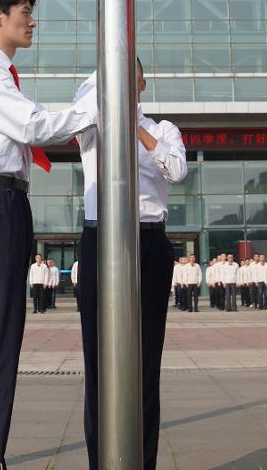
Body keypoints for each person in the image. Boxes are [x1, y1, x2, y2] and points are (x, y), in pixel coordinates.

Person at [0, 0, 97, 470]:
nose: (32, 22)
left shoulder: (3, 74)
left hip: (7, 203)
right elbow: (32, 125)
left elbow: (31, 123)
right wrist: (92, 108)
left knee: (5, 333)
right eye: (25, 12)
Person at [74, 60, 188, 470]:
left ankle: (143, 461)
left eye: (130, 72)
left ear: (142, 83)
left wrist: (133, 128)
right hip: (100, 237)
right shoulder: (92, 125)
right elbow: (82, 97)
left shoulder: (162, 129)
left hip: (148, 241)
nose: (122, 79)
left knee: (145, 361)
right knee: (97, 361)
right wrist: (110, 85)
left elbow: (177, 170)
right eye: (115, 72)